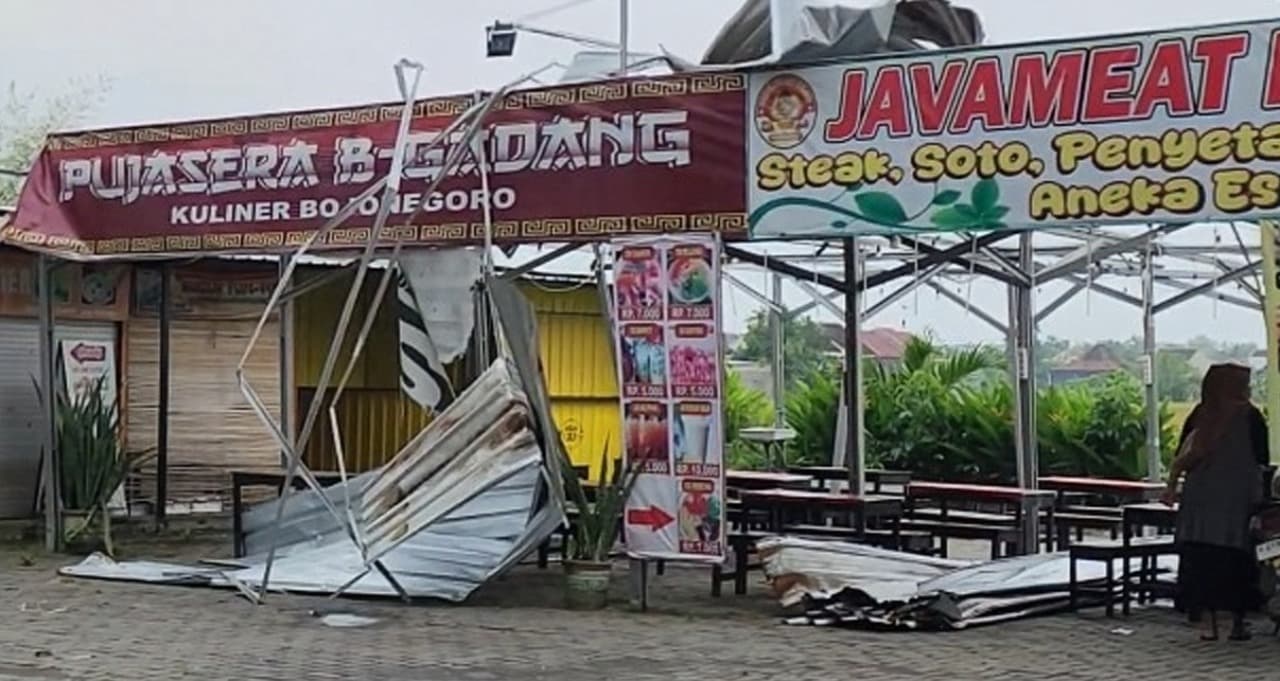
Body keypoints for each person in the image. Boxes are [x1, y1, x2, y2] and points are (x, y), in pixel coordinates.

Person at [1164, 363, 1268, 641]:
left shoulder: (1201, 415)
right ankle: (1237, 623)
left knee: (1204, 563)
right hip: (1236, 503)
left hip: (1200, 504)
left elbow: (1182, 454)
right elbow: (1262, 459)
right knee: (1237, 562)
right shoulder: (1251, 417)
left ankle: (1209, 625)